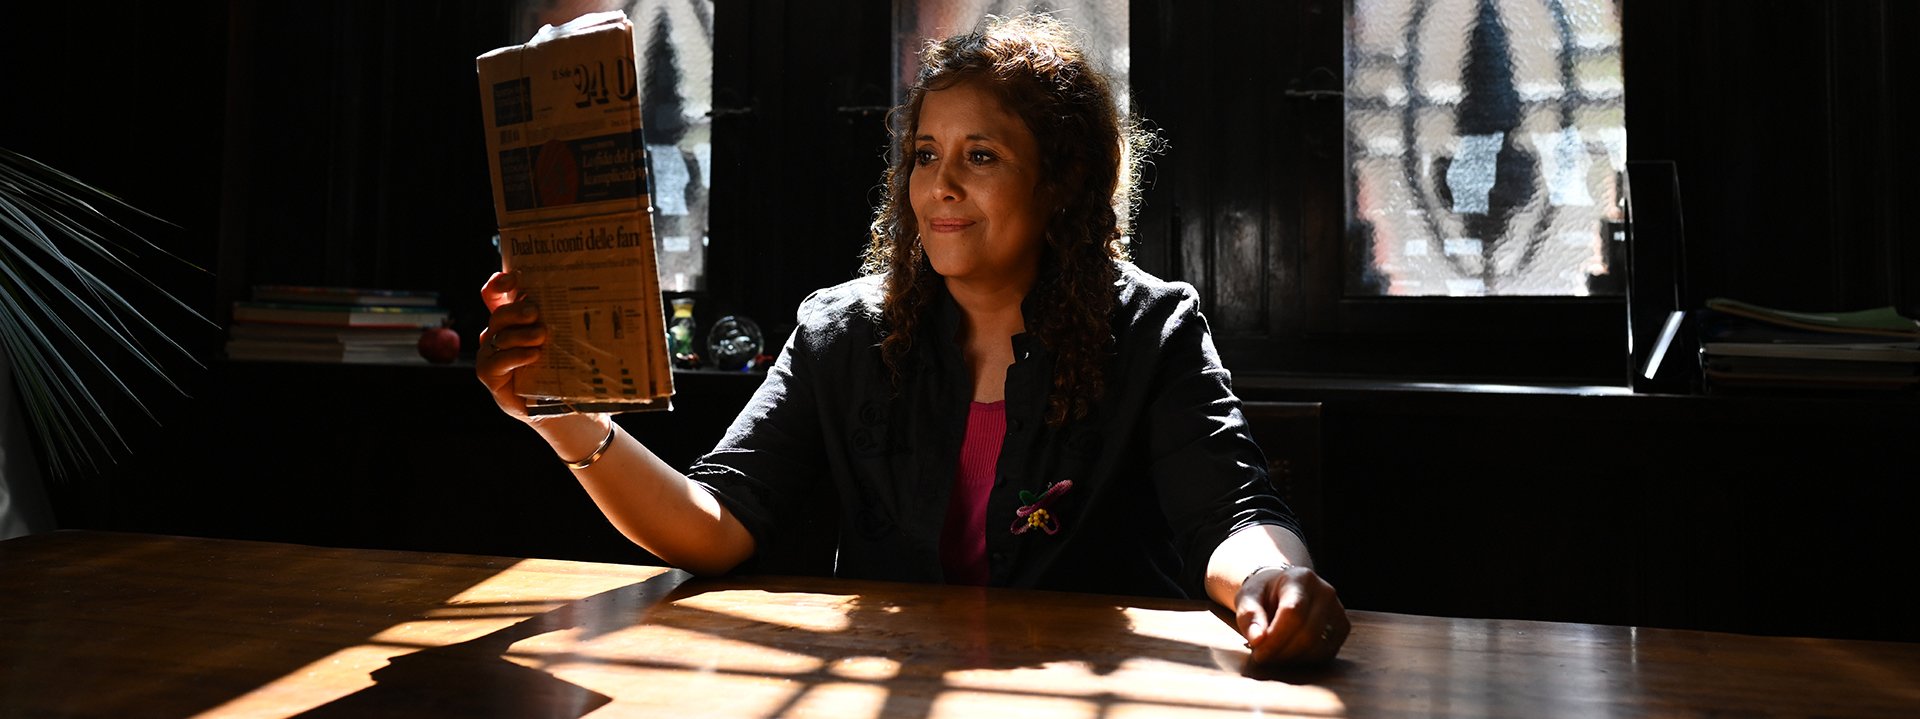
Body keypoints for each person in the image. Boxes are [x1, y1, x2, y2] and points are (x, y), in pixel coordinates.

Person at [478, 13, 1348, 666]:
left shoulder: (1152, 327)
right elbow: (719, 523)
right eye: (926, 155)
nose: (940, 187)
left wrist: (1273, 579)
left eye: (981, 156)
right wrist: (562, 415)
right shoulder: (840, 331)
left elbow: (1233, 517)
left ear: (1063, 180)